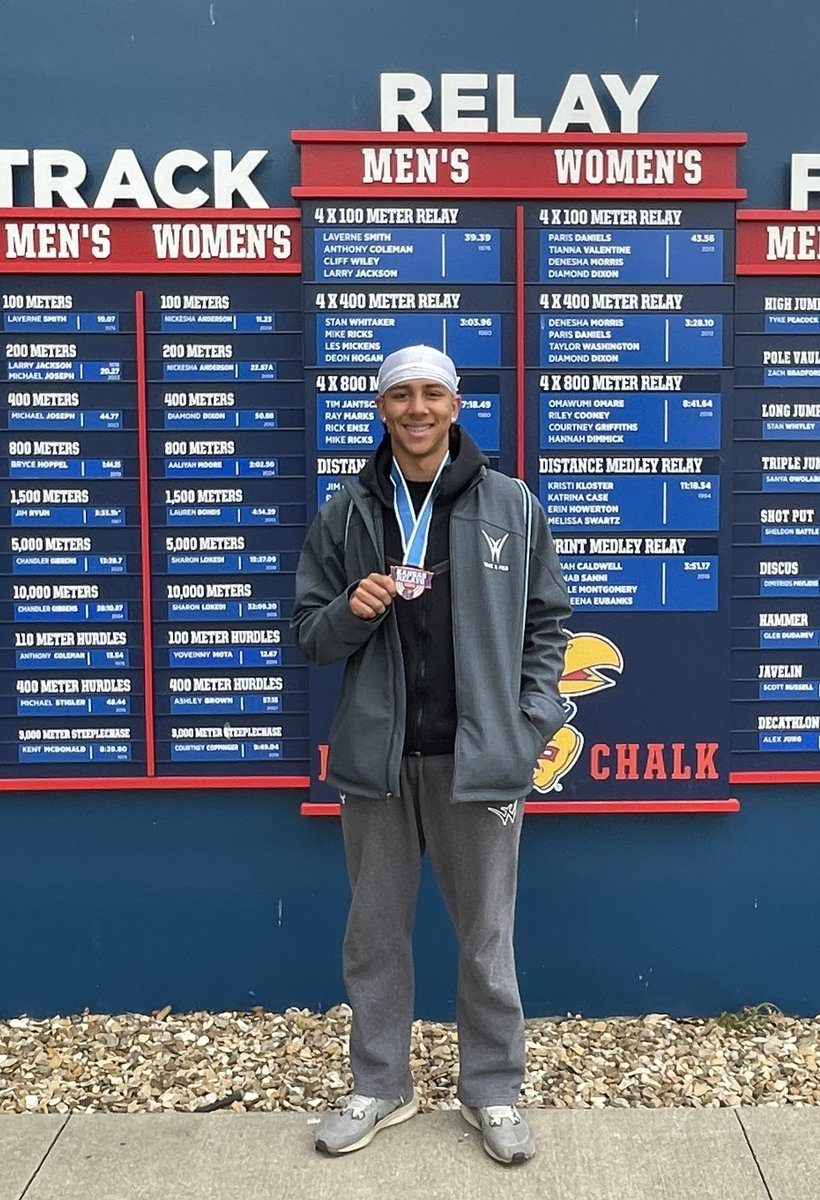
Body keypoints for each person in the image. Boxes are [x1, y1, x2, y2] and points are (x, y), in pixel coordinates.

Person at [291, 344, 571, 1165]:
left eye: (431, 395)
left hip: (479, 761)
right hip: (378, 764)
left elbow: (548, 625)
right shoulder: (349, 510)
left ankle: (493, 1089)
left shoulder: (512, 505)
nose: (416, 409)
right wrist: (352, 608)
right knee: (374, 936)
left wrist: (528, 726)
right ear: (381, 410)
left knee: (486, 938)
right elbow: (310, 633)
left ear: (455, 405)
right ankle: (382, 1085)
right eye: (400, 396)